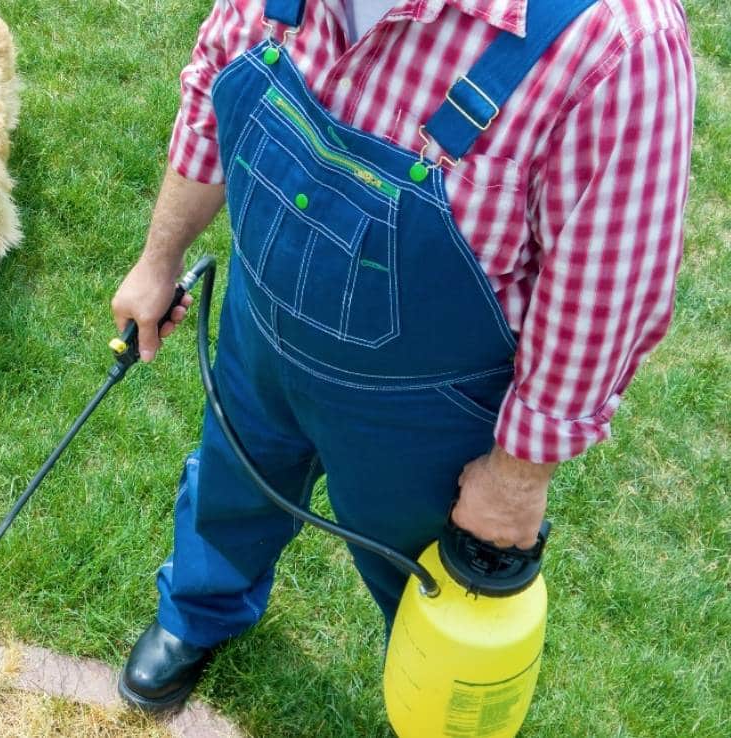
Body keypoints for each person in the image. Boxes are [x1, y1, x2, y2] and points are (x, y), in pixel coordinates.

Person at [110, 0, 694, 714]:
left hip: (426, 416)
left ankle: (433, 712)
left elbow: (604, 294)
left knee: (433, 591)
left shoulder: (618, 43)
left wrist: (516, 476)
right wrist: (158, 258)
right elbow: (217, 78)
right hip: (259, 333)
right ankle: (200, 609)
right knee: (233, 485)